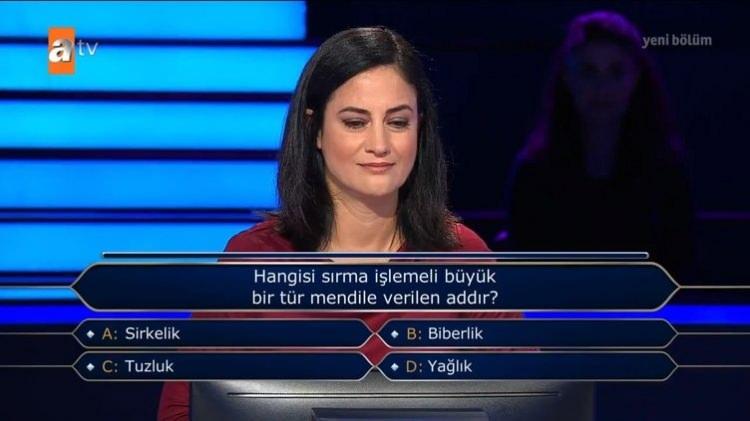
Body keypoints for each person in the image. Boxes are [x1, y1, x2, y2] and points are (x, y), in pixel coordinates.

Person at [158, 26, 518, 420]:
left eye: (398, 122)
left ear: (420, 128)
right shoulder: (253, 259)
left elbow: (526, 404)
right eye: (355, 122)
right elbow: (182, 411)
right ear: (314, 129)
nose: (379, 145)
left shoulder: (462, 257)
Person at [507, 11, 694, 280]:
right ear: (567, 78)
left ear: (636, 78)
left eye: (616, 71)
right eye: (588, 71)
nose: (602, 87)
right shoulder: (534, 172)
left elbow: (679, 266)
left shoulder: (666, 171)